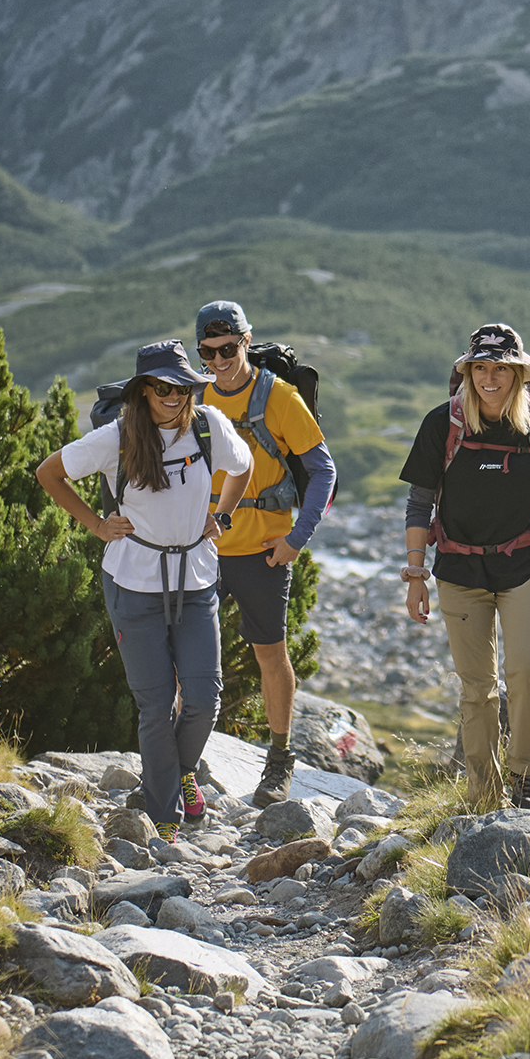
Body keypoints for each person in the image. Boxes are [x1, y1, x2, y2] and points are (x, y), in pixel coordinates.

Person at [35, 340, 248, 839]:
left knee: (204, 698)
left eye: (182, 387)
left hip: (196, 578)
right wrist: (94, 524)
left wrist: (222, 515)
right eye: (161, 388)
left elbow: (243, 468)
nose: (173, 396)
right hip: (133, 582)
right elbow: (49, 472)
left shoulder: (208, 426)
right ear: (143, 392)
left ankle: (180, 773)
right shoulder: (117, 438)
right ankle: (164, 817)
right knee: (155, 706)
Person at [399, 322, 530, 811]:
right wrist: (415, 575)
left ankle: (525, 776)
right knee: (477, 688)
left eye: (500, 368)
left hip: (523, 562)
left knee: (528, 672)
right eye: (480, 368)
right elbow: (419, 504)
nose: (489, 378)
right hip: (458, 571)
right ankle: (484, 792)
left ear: (520, 374)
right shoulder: (443, 424)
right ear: (467, 372)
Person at [193, 298, 338, 806]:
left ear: (246, 342)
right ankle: (178, 761)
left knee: (269, 654)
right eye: (207, 351)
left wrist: (297, 538)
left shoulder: (279, 398)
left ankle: (278, 762)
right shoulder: (193, 398)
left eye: (228, 348)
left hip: (261, 549)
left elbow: (322, 470)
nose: (218, 360)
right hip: (202, 549)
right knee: (181, 654)